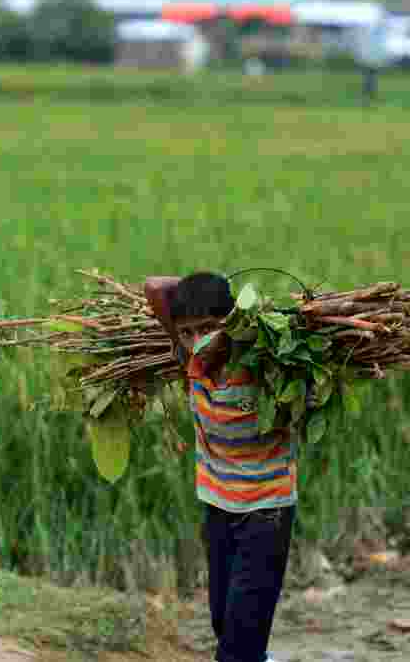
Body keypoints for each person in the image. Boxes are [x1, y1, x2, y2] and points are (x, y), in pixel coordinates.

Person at [144, 271, 318, 662]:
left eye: (208, 328)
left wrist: (241, 315)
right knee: (226, 623)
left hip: (266, 513)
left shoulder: (267, 365)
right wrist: (200, 299)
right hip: (219, 508)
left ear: (234, 323)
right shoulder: (189, 362)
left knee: (238, 645)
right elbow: (155, 288)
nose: (197, 340)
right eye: (187, 331)